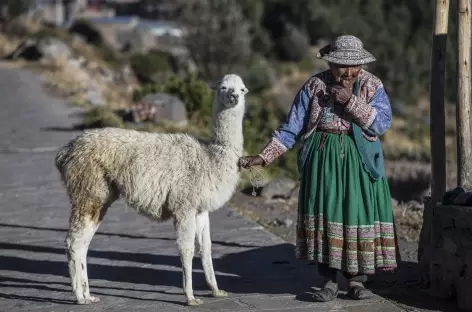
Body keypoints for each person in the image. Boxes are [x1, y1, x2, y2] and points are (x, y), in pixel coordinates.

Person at [239, 35, 398, 302]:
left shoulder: (372, 86)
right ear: (331, 63)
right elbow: (291, 128)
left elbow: (382, 123)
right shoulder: (314, 87)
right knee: (326, 216)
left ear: (361, 66)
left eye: (354, 67)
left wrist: (351, 102)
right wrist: (264, 157)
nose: (347, 73)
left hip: (360, 163)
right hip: (323, 164)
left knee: (356, 216)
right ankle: (329, 282)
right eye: (340, 66)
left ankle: (357, 281)